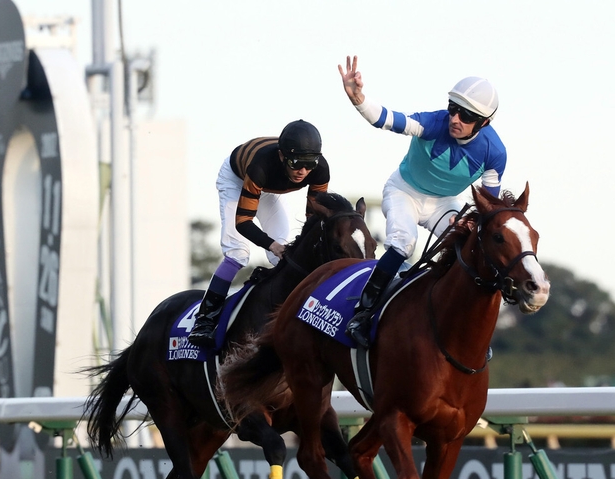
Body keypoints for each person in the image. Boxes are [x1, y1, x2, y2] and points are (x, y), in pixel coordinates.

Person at [338, 56, 507, 347]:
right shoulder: (433, 122)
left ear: (484, 122)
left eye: (466, 116)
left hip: (443, 203)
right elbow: (387, 119)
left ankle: (464, 324)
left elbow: (489, 206)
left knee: (471, 247)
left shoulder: (495, 153)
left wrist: (472, 222)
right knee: (404, 243)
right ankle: (362, 315)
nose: (455, 119)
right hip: (404, 191)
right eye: (453, 110)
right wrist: (359, 99)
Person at [187, 120, 330, 348]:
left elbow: (313, 220)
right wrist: (270, 244)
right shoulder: (261, 166)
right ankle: (204, 320)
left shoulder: (320, 169)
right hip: (238, 179)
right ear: (283, 156)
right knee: (238, 253)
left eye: (309, 163)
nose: (303, 171)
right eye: (296, 163)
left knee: (286, 253)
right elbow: (243, 222)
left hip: (266, 188)